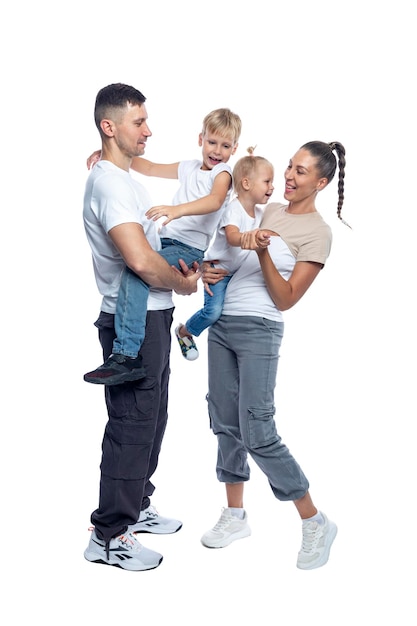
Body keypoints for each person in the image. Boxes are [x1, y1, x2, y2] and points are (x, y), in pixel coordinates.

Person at [200, 140, 349, 570]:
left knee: (258, 430)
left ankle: (315, 520)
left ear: (320, 182)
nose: (288, 175)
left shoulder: (318, 234)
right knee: (224, 421)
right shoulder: (267, 209)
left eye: (300, 172)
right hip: (223, 324)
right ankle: (234, 514)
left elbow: (285, 298)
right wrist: (211, 269)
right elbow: (231, 249)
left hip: (261, 329)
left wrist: (264, 249)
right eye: (288, 166)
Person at [82, 83, 201, 571]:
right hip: (130, 322)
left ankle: (136, 506)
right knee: (132, 426)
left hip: (154, 317)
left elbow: (154, 252)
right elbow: (138, 258)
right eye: (138, 122)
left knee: (152, 419)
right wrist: (184, 284)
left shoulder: (126, 180)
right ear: (110, 127)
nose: (148, 130)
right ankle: (109, 534)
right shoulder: (110, 183)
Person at [83, 108, 241, 385]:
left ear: (234, 149)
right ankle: (127, 352)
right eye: (212, 143)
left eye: (226, 146)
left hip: (188, 248)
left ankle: (127, 354)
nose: (217, 151)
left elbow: (215, 201)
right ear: (200, 139)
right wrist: (105, 152)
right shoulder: (189, 167)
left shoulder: (223, 173)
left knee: (136, 273)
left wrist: (177, 210)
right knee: (137, 268)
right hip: (166, 241)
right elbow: (149, 167)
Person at [176, 148, 274, 350]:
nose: (272, 187)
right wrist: (251, 238)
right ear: (246, 183)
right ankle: (185, 331)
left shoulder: (259, 212)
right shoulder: (233, 209)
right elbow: (232, 236)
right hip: (218, 273)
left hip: (238, 273)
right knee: (213, 312)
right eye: (267, 182)